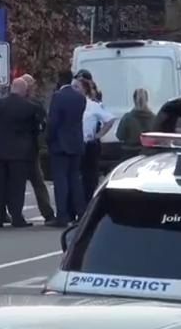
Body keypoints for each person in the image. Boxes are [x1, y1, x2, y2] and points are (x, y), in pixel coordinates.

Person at [0, 77, 41, 228]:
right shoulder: (29, 107)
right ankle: (16, 216)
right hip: (20, 153)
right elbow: (36, 129)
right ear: (23, 90)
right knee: (17, 186)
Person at [48, 70, 87, 227]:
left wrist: (48, 139)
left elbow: (53, 122)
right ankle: (81, 213)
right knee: (75, 180)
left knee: (61, 181)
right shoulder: (80, 97)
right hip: (76, 142)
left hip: (60, 144)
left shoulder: (58, 97)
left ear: (59, 79)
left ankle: (62, 215)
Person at [19, 73, 57, 225]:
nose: (33, 87)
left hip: (29, 149)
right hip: (27, 149)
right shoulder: (32, 104)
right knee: (27, 183)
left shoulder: (35, 102)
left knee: (37, 182)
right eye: (30, 84)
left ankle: (46, 213)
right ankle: (20, 213)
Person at [79, 78, 115, 205]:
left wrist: (98, 135)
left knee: (89, 178)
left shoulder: (93, 105)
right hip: (76, 144)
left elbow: (110, 119)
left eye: (78, 88)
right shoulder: (73, 104)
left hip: (88, 145)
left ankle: (88, 203)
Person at [116, 88, 155, 159]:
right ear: (147, 100)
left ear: (134, 100)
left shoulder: (127, 118)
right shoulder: (154, 118)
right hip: (149, 155)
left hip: (130, 155)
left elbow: (120, 136)